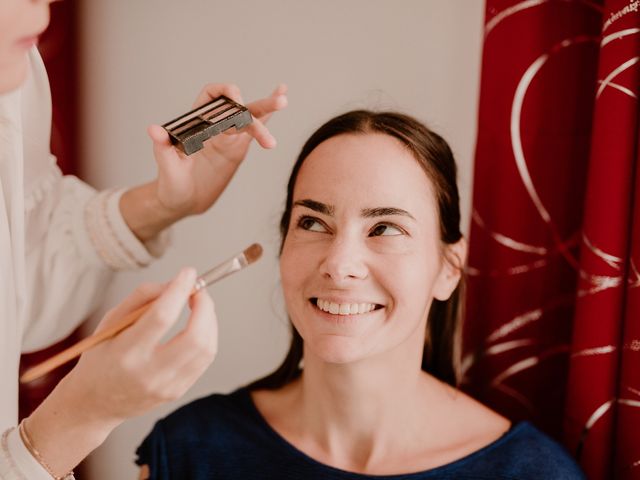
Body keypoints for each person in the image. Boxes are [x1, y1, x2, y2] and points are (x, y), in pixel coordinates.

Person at [136, 110, 586, 479]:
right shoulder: (189, 449)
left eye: (385, 228)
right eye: (312, 222)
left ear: (449, 268)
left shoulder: (533, 473)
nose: (338, 263)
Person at [0, 0, 287, 478]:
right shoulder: (192, 445)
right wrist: (80, 415)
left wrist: (168, 202)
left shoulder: (14, 70)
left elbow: (17, 271)